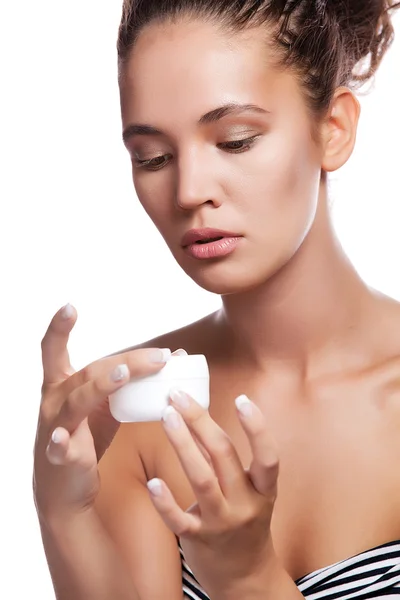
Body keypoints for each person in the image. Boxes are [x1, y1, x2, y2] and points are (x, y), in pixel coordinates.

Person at [33, 1, 400, 598]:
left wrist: (247, 579)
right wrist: (62, 515)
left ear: (333, 129)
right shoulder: (135, 413)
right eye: (152, 157)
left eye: (235, 141)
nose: (189, 191)